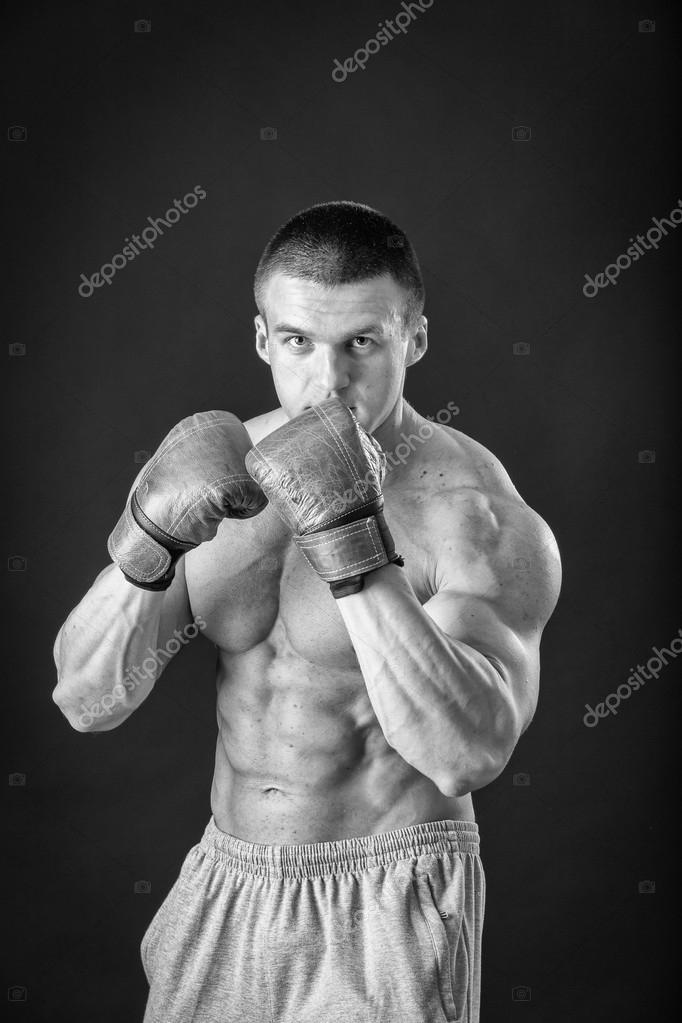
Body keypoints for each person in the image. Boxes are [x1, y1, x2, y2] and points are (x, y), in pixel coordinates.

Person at [52, 200, 561, 1023]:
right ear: (262, 339)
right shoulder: (212, 474)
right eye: (298, 342)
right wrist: (148, 541)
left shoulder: (477, 517)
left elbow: (467, 753)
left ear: (414, 340)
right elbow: (84, 699)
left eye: (363, 341)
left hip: (386, 891)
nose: (328, 381)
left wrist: (352, 540)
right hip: (230, 883)